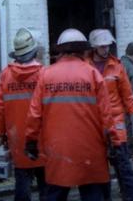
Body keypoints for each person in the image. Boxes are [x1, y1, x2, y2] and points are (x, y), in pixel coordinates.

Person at [25, 28, 115, 201]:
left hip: (58, 150)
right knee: (92, 193)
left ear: (61, 51)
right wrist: (112, 143)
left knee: (55, 193)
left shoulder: (46, 74)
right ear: (83, 50)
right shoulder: (93, 74)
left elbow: (34, 114)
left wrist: (31, 141)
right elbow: (106, 115)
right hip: (90, 149)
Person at [87, 29, 133, 201]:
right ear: (94, 47)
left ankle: (130, 197)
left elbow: (128, 95)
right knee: (99, 171)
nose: (106, 49)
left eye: (108, 46)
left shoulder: (117, 66)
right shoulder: (85, 66)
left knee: (124, 167)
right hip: (95, 125)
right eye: (102, 46)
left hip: (116, 125)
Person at [0, 28, 47, 201]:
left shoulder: (6, 75)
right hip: (41, 138)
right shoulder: (44, 74)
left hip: (17, 138)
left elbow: (0, 108)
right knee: (46, 185)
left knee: (22, 181)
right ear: (34, 51)